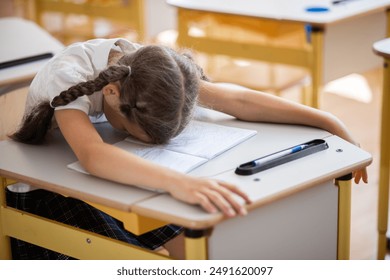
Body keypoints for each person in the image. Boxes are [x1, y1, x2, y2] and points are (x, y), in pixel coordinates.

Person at [8, 38, 367, 259]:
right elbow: (93, 155)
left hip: (114, 180)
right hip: (48, 196)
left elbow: (238, 99)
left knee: (196, 245)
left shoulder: (147, 66)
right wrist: (180, 183)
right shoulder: (70, 75)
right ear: (112, 95)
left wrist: (327, 120)